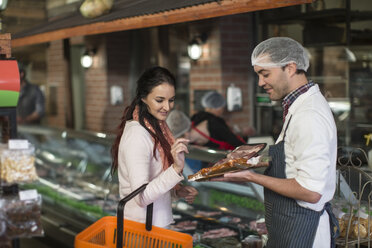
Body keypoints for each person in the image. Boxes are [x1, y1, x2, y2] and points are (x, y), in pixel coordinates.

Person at [213, 37, 339, 248]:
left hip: (305, 234)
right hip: (289, 229)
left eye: (265, 74)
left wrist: (250, 176)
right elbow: (292, 158)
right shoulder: (297, 106)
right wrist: (254, 161)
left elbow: (310, 191)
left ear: (290, 68)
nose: (261, 82)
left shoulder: (309, 115)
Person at [111, 66, 198, 228]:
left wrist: (176, 192)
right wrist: (175, 168)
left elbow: (154, 182)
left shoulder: (157, 128)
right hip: (142, 231)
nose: (167, 107)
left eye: (171, 100)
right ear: (143, 98)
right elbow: (141, 197)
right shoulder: (138, 135)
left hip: (155, 227)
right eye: (160, 100)